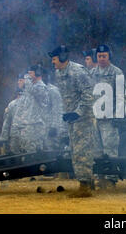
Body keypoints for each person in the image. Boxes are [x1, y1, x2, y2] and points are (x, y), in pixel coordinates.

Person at [48, 45, 101, 197]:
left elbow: (89, 95)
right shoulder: (59, 72)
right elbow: (66, 97)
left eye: (54, 59)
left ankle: (85, 187)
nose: (53, 62)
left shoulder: (78, 72)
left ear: (63, 58)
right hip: (72, 118)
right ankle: (88, 183)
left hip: (83, 118)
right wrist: (67, 114)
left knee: (81, 151)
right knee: (75, 150)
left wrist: (77, 113)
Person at [90, 44, 126, 188]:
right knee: (96, 149)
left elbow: (121, 96)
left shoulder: (117, 73)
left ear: (109, 56)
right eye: (99, 56)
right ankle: (100, 176)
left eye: (104, 56)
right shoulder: (92, 73)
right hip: (95, 118)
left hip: (109, 118)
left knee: (110, 148)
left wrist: (118, 115)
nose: (102, 59)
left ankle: (111, 178)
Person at [9, 65, 50, 154]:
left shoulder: (40, 87)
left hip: (36, 126)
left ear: (37, 73)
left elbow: (32, 90)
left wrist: (26, 79)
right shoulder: (31, 88)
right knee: (26, 152)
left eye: (30, 73)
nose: (27, 76)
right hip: (29, 126)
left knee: (32, 153)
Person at [0, 73, 25, 154]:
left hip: (26, 138)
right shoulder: (12, 105)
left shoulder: (32, 102)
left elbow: (6, 124)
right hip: (16, 139)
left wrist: (3, 139)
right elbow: (7, 123)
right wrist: (3, 139)